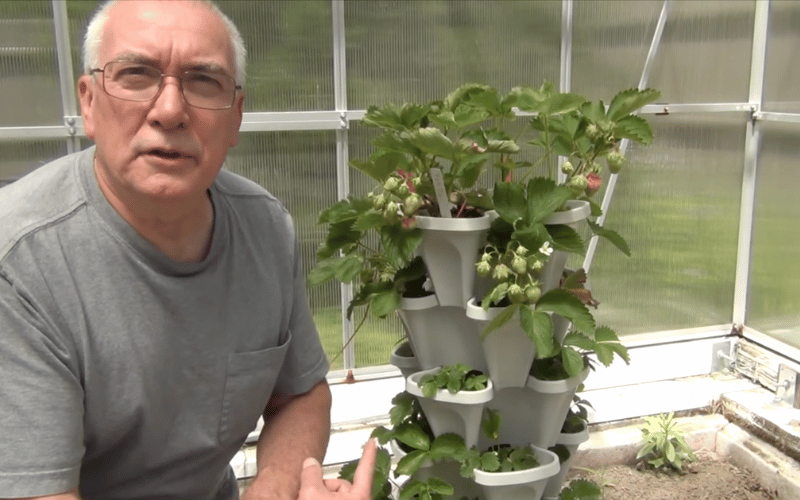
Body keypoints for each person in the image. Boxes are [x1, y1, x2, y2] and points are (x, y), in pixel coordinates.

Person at [0, 1, 375, 499]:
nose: (171, 110)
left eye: (203, 81)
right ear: (88, 103)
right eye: (136, 75)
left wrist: (276, 489)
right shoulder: (19, 264)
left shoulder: (263, 227)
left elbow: (300, 395)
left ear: (236, 116)